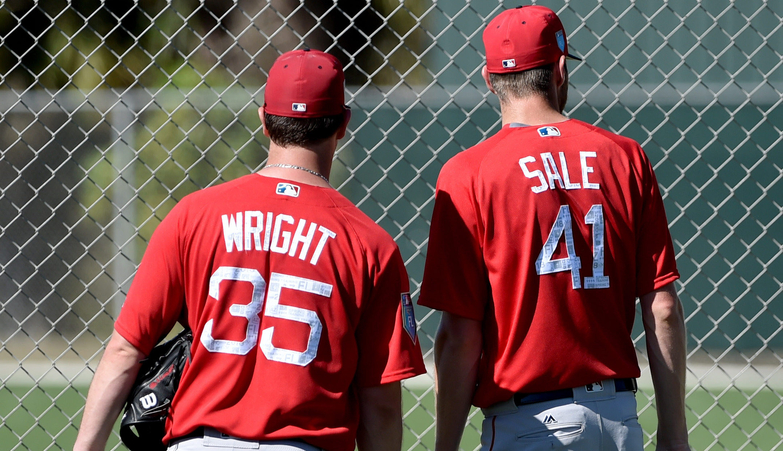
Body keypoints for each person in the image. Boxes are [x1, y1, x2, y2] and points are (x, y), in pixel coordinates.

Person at [74, 48, 426, 451]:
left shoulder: (195, 215)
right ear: (343, 122)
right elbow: (380, 404)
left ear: (263, 119)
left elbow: (125, 348)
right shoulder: (370, 244)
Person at [418, 5, 689, 451]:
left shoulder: (468, 172)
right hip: (619, 419)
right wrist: (674, 436)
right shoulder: (625, 156)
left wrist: (445, 444)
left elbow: (460, 335)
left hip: (528, 422)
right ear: (560, 69)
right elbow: (662, 309)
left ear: (489, 79)